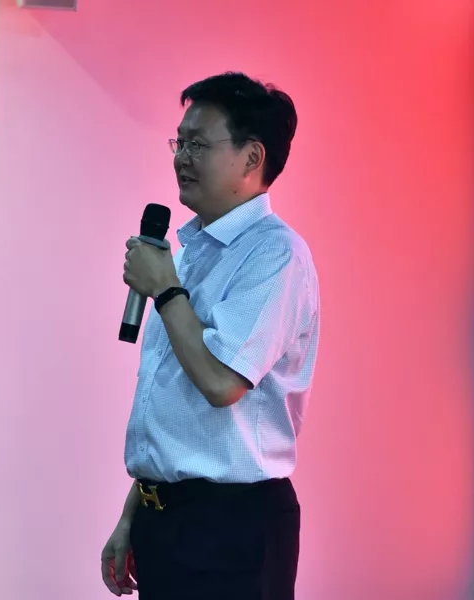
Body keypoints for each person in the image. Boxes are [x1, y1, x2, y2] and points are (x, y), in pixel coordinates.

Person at [101, 72, 320, 600]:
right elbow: (173, 411)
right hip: (167, 520)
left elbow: (222, 384)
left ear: (252, 157)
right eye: (179, 142)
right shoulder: (191, 254)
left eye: (198, 144)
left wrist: (165, 289)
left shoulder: (275, 255)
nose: (182, 157)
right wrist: (133, 513)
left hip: (232, 528)